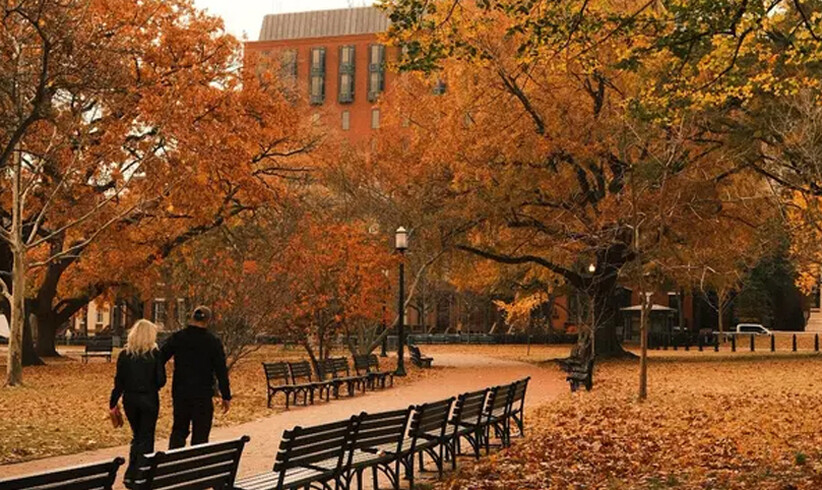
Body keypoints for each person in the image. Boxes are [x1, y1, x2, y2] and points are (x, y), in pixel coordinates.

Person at [160, 306, 231, 449]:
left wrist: (159, 379)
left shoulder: (179, 337)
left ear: (192, 317)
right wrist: (226, 395)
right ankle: (196, 466)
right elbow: (221, 371)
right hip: (202, 394)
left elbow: (160, 357)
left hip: (181, 392)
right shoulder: (213, 342)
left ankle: (174, 464)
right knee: (201, 434)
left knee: (179, 430)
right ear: (208, 320)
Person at [109, 320, 166, 488]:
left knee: (137, 436)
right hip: (149, 398)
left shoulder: (125, 355)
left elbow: (119, 382)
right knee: (146, 437)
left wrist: (113, 402)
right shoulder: (155, 354)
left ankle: (131, 472)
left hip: (130, 399)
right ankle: (142, 472)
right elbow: (161, 380)